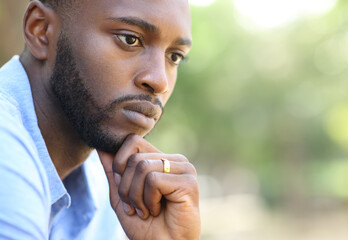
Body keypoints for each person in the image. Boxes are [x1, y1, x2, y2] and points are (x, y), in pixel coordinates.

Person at [0, 0, 200, 239]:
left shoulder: (109, 186)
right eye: (130, 39)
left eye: (175, 57)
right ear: (41, 30)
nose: (159, 81)